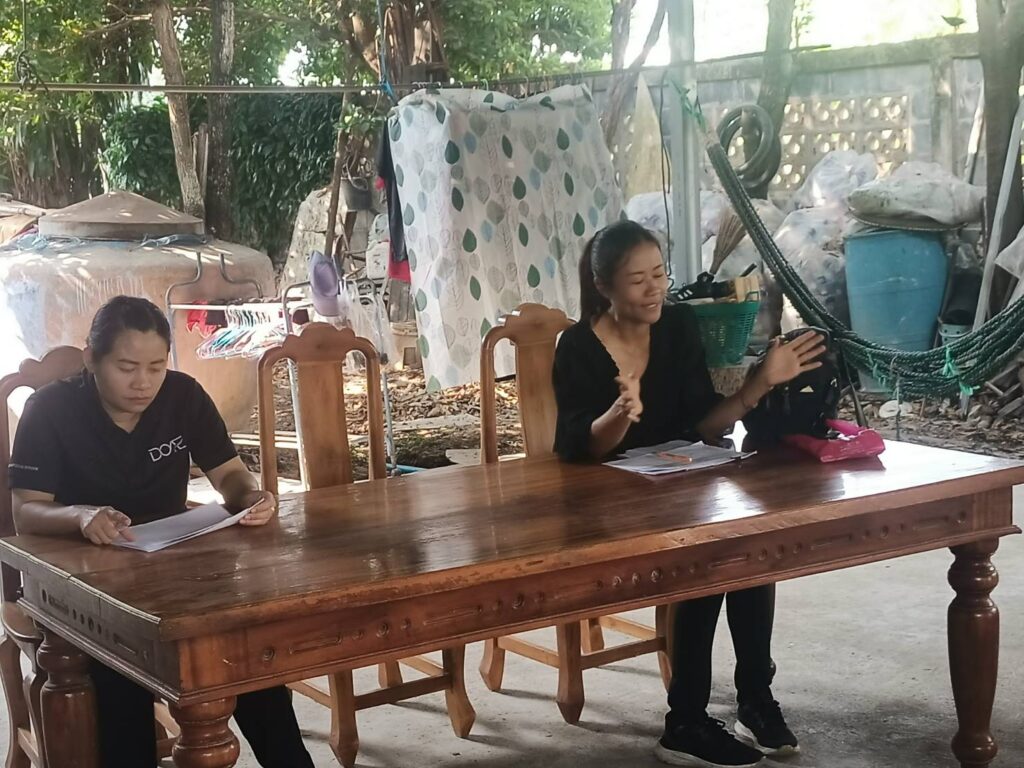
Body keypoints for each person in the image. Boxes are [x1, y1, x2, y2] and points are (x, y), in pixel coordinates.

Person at [553, 222, 825, 768]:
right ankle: (685, 721)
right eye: (638, 281)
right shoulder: (578, 347)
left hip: (673, 482)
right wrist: (620, 413)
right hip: (601, 499)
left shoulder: (677, 325)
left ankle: (755, 698)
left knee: (750, 540)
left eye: (659, 274)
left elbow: (702, 426)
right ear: (604, 286)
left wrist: (760, 382)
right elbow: (582, 448)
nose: (654, 289)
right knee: (705, 557)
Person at [8, 296, 315, 768]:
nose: (143, 382)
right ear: (91, 359)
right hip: (80, 583)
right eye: (126, 367)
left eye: (156, 366)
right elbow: (25, 510)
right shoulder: (51, 409)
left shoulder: (182, 396)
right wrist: (79, 516)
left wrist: (251, 498)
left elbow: (230, 475)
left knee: (242, 652)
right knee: (119, 678)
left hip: (172, 568)